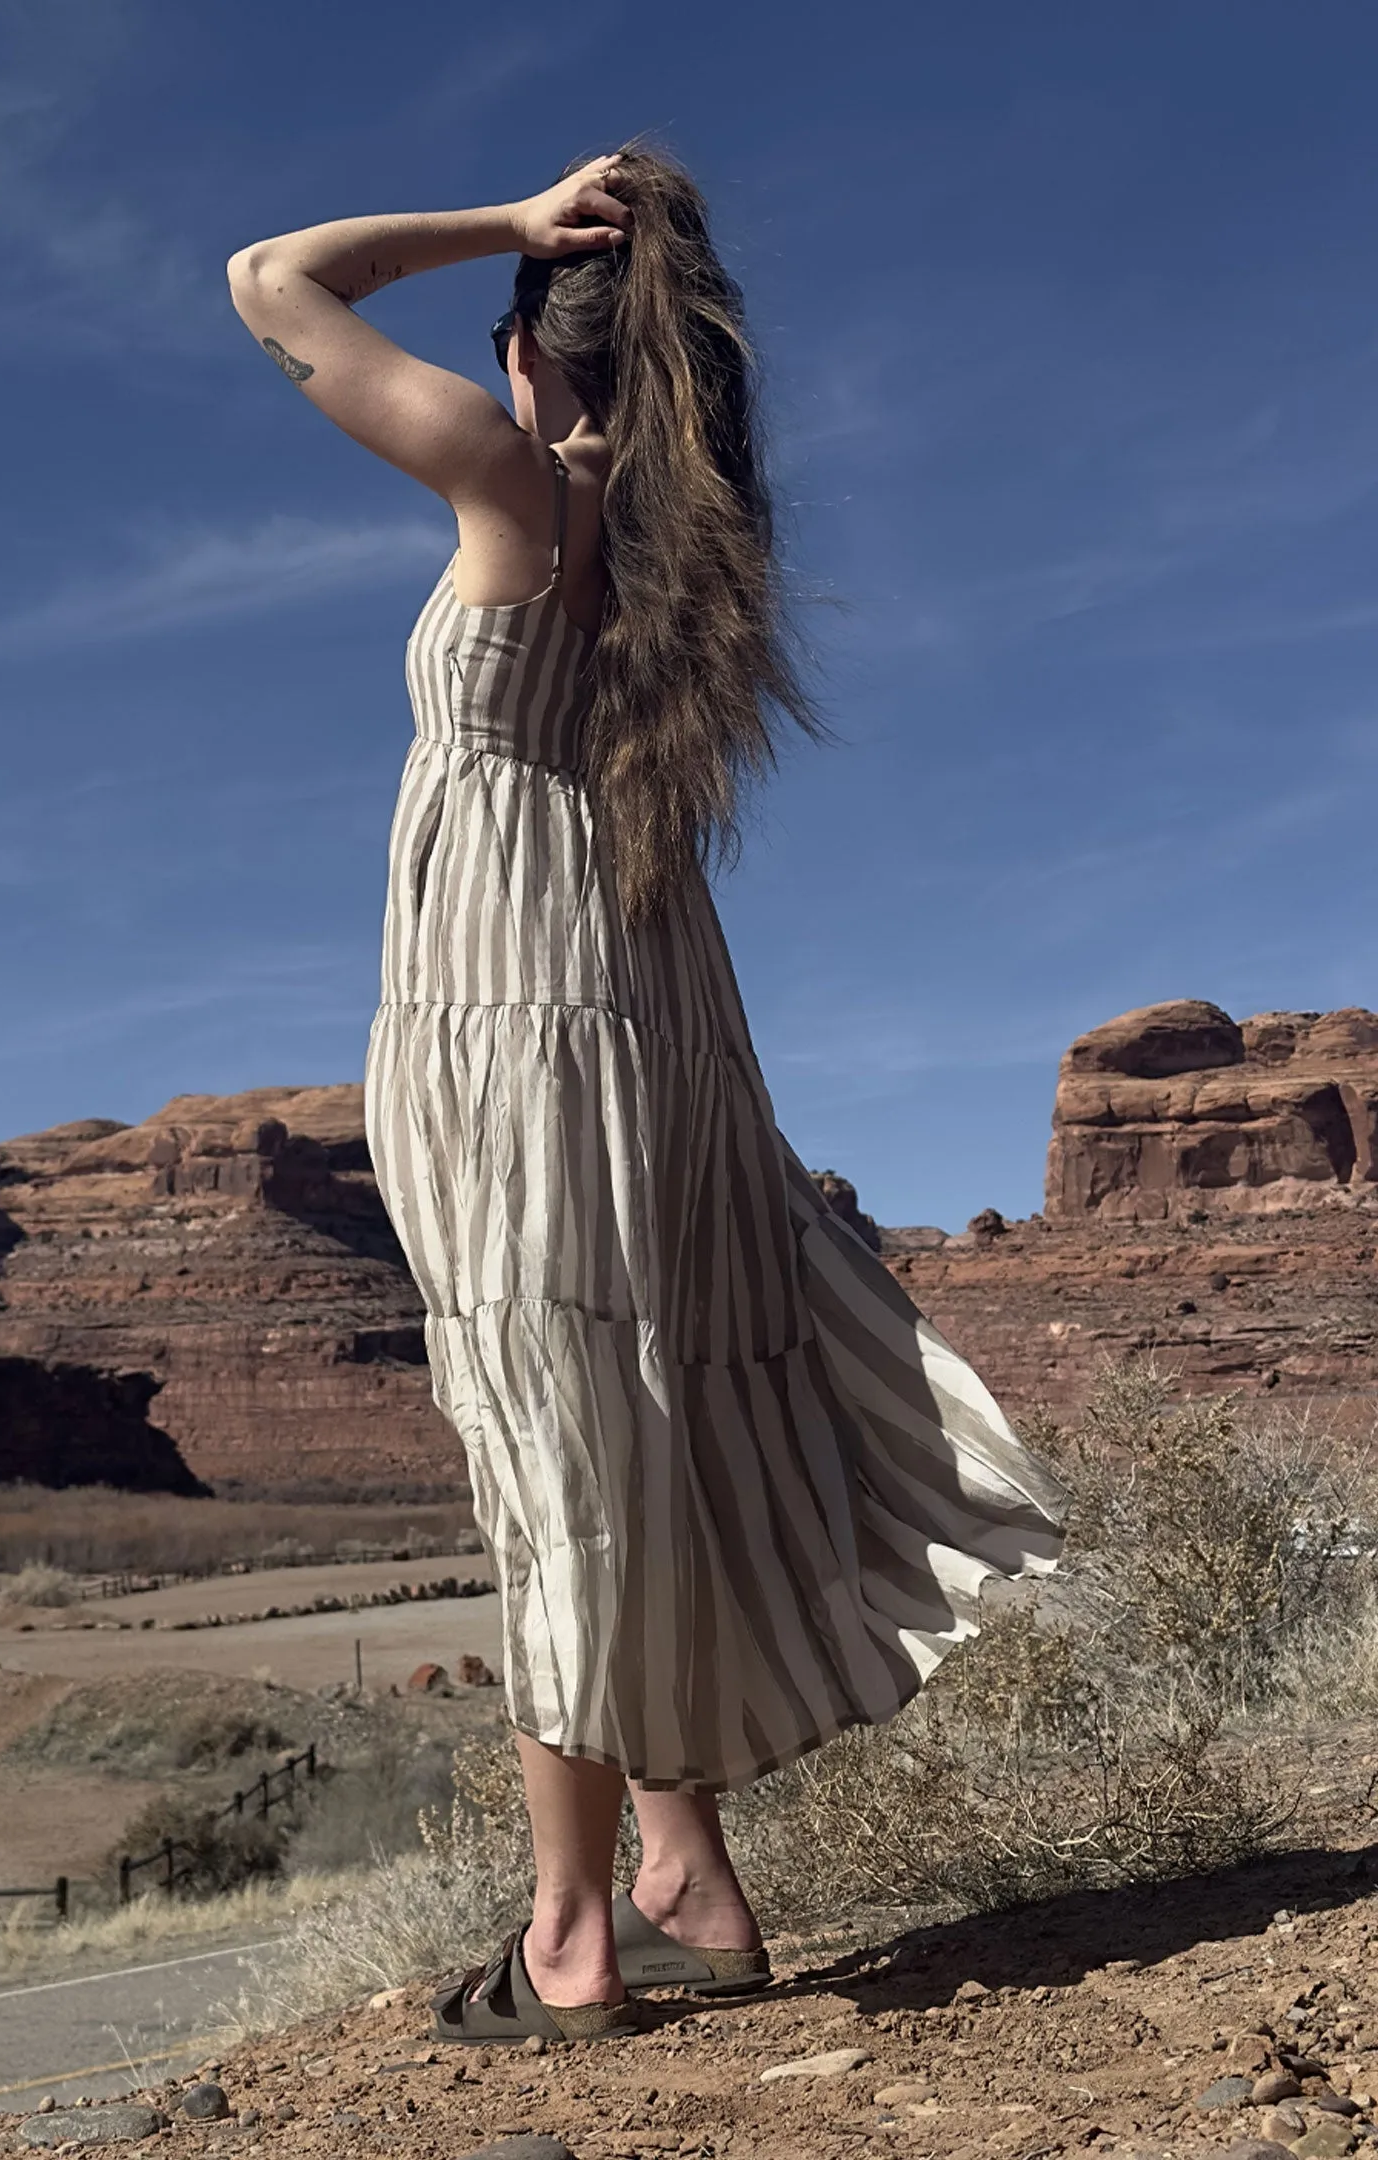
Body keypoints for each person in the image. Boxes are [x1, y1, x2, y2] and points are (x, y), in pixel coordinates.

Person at [227, 143, 1069, 2045]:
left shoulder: (513, 484)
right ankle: (684, 1873)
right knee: (638, 1419)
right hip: (656, 1016)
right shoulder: (696, 561)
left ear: (532, 350)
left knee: (559, 1443)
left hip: (518, 1009)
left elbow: (270, 277)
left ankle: (569, 1939)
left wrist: (509, 223)